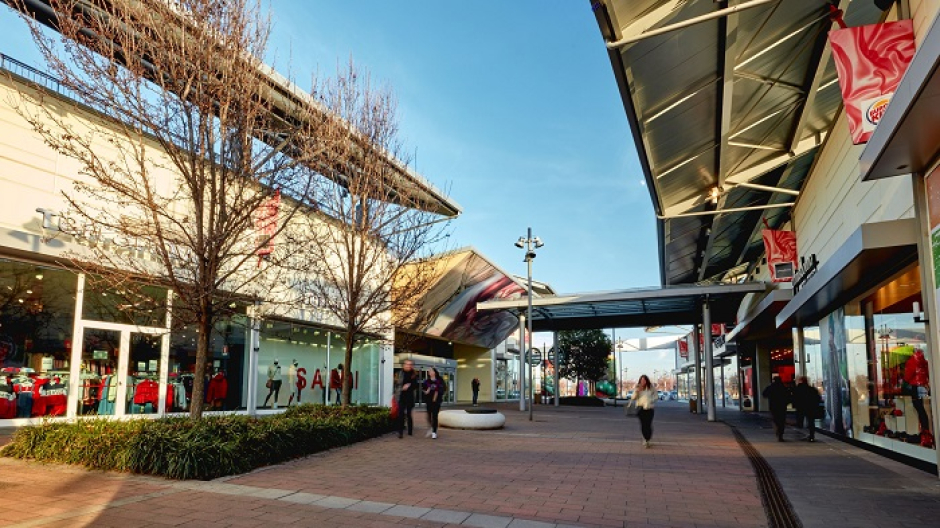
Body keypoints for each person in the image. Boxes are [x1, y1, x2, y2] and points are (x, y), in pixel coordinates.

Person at [763, 376, 791, 442]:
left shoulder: (770, 387)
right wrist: (786, 403)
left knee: (775, 419)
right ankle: (780, 434)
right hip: (782, 406)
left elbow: (764, 394)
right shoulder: (783, 387)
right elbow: (789, 397)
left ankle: (778, 431)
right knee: (782, 420)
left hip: (773, 406)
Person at [632, 374, 656, 448]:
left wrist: (650, 400)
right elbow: (633, 398)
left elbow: (656, 396)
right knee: (643, 424)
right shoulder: (638, 387)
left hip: (649, 408)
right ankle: (645, 440)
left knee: (648, 425)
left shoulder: (651, 387)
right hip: (640, 408)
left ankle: (648, 438)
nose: (643, 381)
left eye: (644, 380)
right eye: (641, 380)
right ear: (640, 381)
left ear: (647, 380)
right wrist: (637, 391)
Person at [794, 376, 821, 442]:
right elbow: (818, 398)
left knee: (800, 421)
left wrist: (795, 405)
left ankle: (804, 434)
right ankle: (811, 436)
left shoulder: (797, 389)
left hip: (801, 407)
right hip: (810, 407)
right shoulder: (811, 389)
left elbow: (794, 398)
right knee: (811, 421)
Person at [396, 360, 418, 438]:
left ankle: (410, 431)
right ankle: (400, 432)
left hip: (410, 397)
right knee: (400, 414)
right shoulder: (400, 373)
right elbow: (396, 383)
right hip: (401, 396)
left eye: (410, 364)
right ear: (404, 365)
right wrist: (402, 387)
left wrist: (409, 386)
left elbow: (416, 385)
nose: (408, 366)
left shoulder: (414, 374)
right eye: (407, 364)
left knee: (409, 414)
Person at [423, 367, 445, 439]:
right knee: (429, 416)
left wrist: (438, 391)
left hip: (436, 401)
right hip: (429, 401)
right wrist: (426, 391)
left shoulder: (440, 380)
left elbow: (443, 388)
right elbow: (424, 389)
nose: (429, 372)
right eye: (429, 371)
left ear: (434, 372)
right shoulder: (427, 381)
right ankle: (431, 427)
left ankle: (434, 432)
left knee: (435, 416)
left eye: (431, 371)